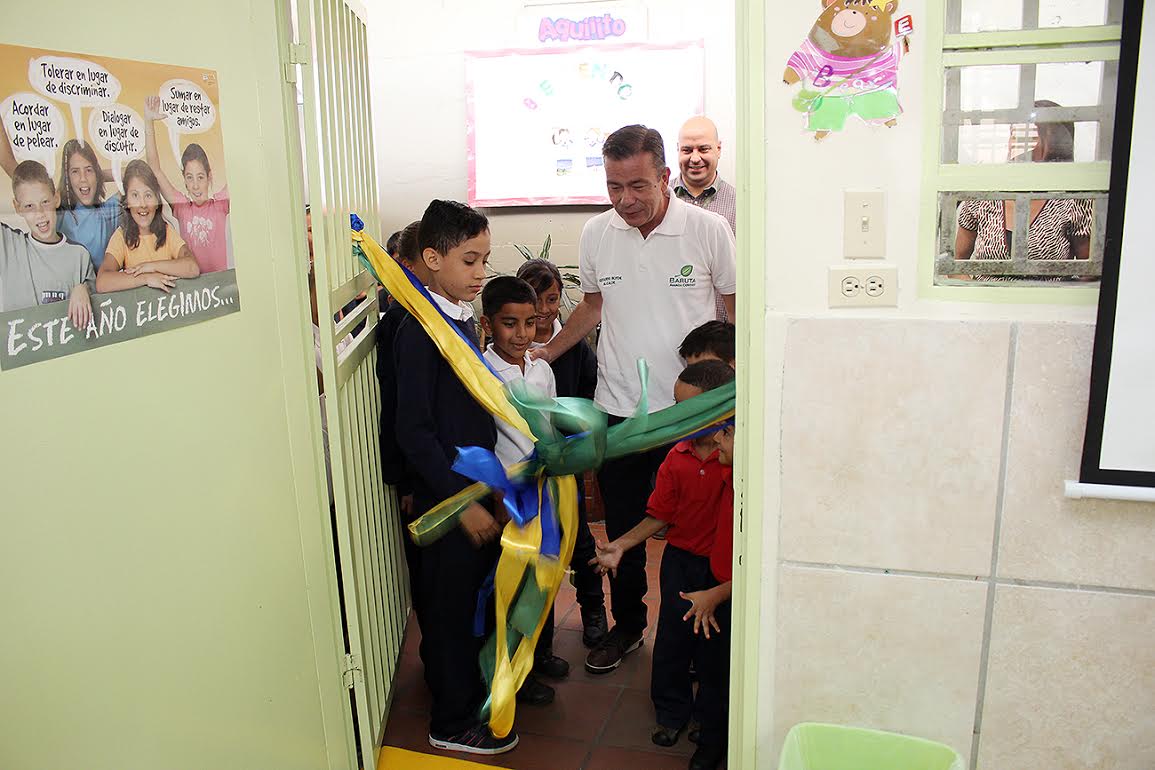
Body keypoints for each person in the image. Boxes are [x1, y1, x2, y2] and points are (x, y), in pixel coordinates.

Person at [532, 124, 736, 675]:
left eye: (638, 185)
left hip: (694, 415)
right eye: (614, 186)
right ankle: (627, 627)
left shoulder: (708, 229)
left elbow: (734, 309)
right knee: (621, 526)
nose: (625, 200)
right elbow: (592, 307)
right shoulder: (598, 233)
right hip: (620, 409)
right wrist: (548, 352)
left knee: (698, 530)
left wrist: (736, 390)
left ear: (666, 177)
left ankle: (697, 634)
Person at [393, 199, 516, 756]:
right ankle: (450, 721)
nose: (480, 275)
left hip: (470, 486)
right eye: (470, 262)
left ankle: (459, 688)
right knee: (445, 609)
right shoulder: (420, 330)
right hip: (448, 499)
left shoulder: (453, 318)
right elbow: (415, 430)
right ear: (432, 258)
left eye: (485, 260)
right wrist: (458, 502)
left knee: (465, 599)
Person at [591, 360, 735, 770]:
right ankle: (672, 714)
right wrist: (620, 544)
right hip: (681, 564)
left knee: (716, 655)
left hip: (722, 573)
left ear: (718, 409)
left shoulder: (741, 459)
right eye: (673, 406)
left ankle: (712, 732)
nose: (675, 417)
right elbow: (660, 515)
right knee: (672, 641)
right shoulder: (677, 455)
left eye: (684, 409)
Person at [477, 275, 561, 707]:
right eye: (510, 324)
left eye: (530, 323)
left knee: (542, 572)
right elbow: (482, 437)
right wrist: (496, 491)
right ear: (488, 324)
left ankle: (539, 650)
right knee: (510, 579)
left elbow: (549, 425)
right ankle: (510, 667)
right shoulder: (484, 371)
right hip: (508, 491)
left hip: (545, 487)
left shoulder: (542, 369)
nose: (522, 334)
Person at [517, 258, 608, 651]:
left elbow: (591, 389)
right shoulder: (509, 346)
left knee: (581, 541)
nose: (544, 309)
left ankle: (593, 611)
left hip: (564, 460)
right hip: (525, 467)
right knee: (537, 550)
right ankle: (540, 637)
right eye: (536, 299)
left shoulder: (571, 343)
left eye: (552, 299)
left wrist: (574, 433)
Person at [955, 101, 1092, 275]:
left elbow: (1089, 274)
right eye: (1014, 135)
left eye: (1030, 137)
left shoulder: (1072, 200)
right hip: (986, 300)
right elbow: (957, 264)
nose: (1015, 144)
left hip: (1046, 301)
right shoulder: (984, 196)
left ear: (1053, 144)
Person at [0, 126, 120, 271]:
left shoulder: (108, 211)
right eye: (75, 172)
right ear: (67, 177)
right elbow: (10, 165)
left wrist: (96, 177)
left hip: (98, 290)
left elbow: (139, 174)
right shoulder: (55, 209)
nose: (83, 178)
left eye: (89, 170)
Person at [0, 160, 94, 330]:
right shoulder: (8, 245)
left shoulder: (79, 255)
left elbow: (97, 300)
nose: (40, 213)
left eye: (45, 202)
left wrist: (83, 288)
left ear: (56, 198)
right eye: (29, 206)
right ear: (17, 207)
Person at [143, 97, 231, 273]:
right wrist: (148, 121)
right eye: (190, 178)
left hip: (220, 286)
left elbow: (239, 172)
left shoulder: (220, 204)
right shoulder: (182, 207)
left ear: (209, 177)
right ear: (184, 178)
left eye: (200, 177)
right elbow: (154, 169)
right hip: (192, 287)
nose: (196, 185)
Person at [96, 160, 200, 294]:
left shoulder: (167, 231)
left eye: (148, 195)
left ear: (157, 201)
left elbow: (192, 268)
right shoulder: (121, 236)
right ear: (126, 202)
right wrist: (146, 278)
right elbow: (102, 282)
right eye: (135, 195)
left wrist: (150, 267)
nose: (142, 204)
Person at [670, 117, 736, 323]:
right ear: (678, 150)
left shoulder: (739, 205)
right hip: (671, 327)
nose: (695, 158)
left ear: (718, 149)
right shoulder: (660, 201)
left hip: (721, 334)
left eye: (703, 149)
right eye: (687, 150)